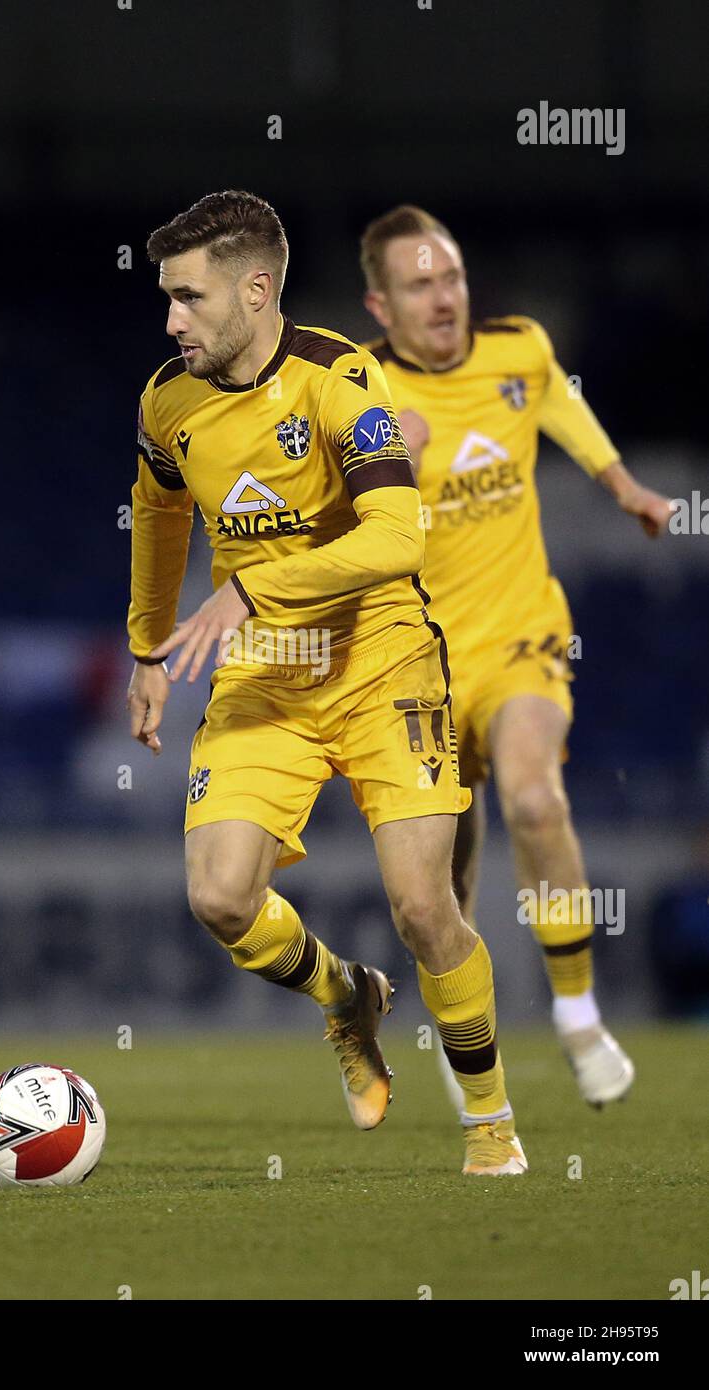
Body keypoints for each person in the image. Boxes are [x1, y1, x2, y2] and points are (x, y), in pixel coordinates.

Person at [126, 189, 526, 1174]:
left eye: (187, 297)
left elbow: (396, 536)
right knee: (220, 899)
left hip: (381, 658)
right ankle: (344, 994)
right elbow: (158, 512)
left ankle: (490, 1124)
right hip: (268, 672)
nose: (170, 319)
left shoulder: (337, 380)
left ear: (255, 290)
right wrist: (145, 647)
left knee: (423, 907)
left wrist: (254, 589)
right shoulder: (165, 403)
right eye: (165, 299)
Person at [360, 204, 673, 1105]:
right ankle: (471, 1044)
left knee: (537, 797)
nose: (444, 297)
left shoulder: (519, 350)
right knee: (439, 883)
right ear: (381, 306)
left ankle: (578, 1016)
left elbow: (565, 412)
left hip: (519, 635)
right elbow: (326, 512)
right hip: (413, 666)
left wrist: (624, 488)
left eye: (451, 277)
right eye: (420, 285)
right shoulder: (360, 393)